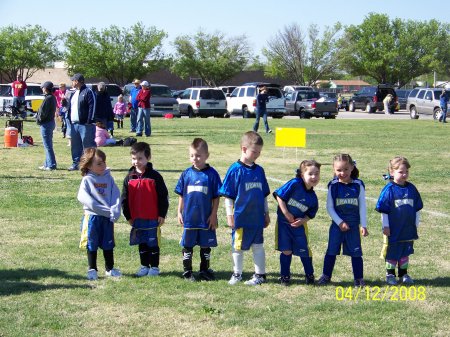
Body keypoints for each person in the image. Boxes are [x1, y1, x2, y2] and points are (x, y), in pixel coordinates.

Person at [219, 131, 271, 286]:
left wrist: (266, 213)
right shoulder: (235, 170)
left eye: (259, 152)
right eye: (254, 151)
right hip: (241, 217)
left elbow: (263, 195)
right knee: (238, 246)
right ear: (243, 149)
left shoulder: (259, 170)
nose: (257, 155)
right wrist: (230, 215)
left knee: (258, 246)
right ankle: (237, 274)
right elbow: (229, 195)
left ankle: (260, 275)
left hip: (256, 217)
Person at [318, 154, 369, 287]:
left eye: (346, 169)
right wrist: (339, 222)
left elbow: (362, 206)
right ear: (334, 170)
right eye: (339, 170)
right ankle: (326, 276)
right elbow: (329, 207)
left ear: (352, 167)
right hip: (337, 225)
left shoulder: (358, 184)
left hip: (353, 226)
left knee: (356, 252)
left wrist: (363, 225)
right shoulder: (333, 185)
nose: (342, 173)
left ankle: (358, 278)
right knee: (331, 250)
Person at [174, 138, 222, 281]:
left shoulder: (212, 174)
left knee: (205, 246)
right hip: (189, 218)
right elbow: (181, 195)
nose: (195, 158)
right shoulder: (186, 174)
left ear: (207, 155)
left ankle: (204, 270)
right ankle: (187, 271)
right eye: (192, 155)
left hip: (205, 219)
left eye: (199, 155)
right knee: (187, 246)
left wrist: (213, 215)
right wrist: (179, 212)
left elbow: (216, 197)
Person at [121, 142, 169, 277]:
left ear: (148, 158)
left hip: (152, 217)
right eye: (134, 158)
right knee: (141, 243)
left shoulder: (155, 177)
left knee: (153, 243)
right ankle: (144, 266)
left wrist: (162, 214)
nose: (136, 162)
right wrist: (128, 216)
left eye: (140, 158)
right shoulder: (129, 178)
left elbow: (163, 196)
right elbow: (124, 198)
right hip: (137, 218)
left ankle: (154, 267)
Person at [375, 156, 423, 285]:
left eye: (406, 172)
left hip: (407, 228)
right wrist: (385, 226)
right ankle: (390, 275)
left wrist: (416, 223)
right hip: (393, 229)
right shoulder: (389, 190)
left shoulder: (411, 189)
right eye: (401, 172)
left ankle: (403, 274)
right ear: (392, 172)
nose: (404, 174)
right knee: (392, 252)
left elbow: (417, 208)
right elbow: (384, 210)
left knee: (405, 251)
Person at [273, 160, 321, 286]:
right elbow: (280, 196)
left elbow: (311, 214)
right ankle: (285, 276)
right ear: (301, 175)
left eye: (317, 174)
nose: (314, 177)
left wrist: (303, 220)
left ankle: (309, 275)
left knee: (304, 250)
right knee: (286, 250)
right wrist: (286, 214)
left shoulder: (313, 198)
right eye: (310, 174)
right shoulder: (294, 184)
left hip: (299, 227)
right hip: (284, 225)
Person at [77, 148, 122, 280]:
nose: (103, 166)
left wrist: (115, 209)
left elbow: (116, 195)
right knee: (92, 243)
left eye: (104, 162)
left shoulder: (109, 178)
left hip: (107, 218)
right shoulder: (87, 180)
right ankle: (92, 269)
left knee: (108, 243)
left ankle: (110, 268)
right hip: (92, 217)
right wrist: (103, 210)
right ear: (89, 165)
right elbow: (84, 198)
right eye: (99, 164)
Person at [67, 73, 97, 171]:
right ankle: (76, 163)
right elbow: (71, 107)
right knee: (75, 145)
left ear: (78, 81)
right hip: (74, 124)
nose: (72, 82)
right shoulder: (74, 93)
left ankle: (90, 164)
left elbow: (92, 106)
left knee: (88, 145)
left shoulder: (88, 92)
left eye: (73, 80)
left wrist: (89, 120)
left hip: (85, 124)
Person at [36, 81, 57, 171]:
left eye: (43, 87)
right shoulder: (51, 97)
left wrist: (39, 119)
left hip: (46, 124)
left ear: (46, 88)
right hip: (50, 122)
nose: (42, 89)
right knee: (47, 144)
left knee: (47, 145)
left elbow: (43, 113)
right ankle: (47, 163)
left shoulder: (48, 98)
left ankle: (51, 164)